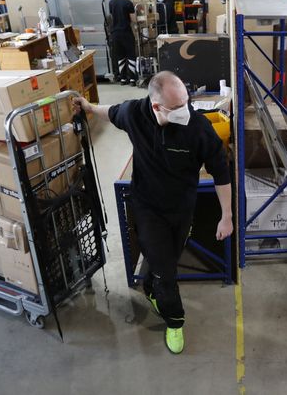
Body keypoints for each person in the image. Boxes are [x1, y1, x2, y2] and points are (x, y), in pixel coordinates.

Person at [72, 71, 232, 354]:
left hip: (182, 209)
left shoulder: (198, 128)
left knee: (166, 259)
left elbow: (221, 172)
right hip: (147, 207)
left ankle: (152, 285)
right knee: (166, 269)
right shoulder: (135, 113)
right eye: (179, 107)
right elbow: (110, 112)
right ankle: (174, 321)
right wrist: (88, 108)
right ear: (156, 106)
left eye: (188, 102)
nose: (187, 111)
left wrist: (226, 216)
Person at [109, 0, 137, 85]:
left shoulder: (111, 2)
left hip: (115, 33)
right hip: (126, 32)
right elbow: (133, 19)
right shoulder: (128, 3)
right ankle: (133, 79)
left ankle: (123, 79)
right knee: (131, 55)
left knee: (120, 56)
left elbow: (113, 17)